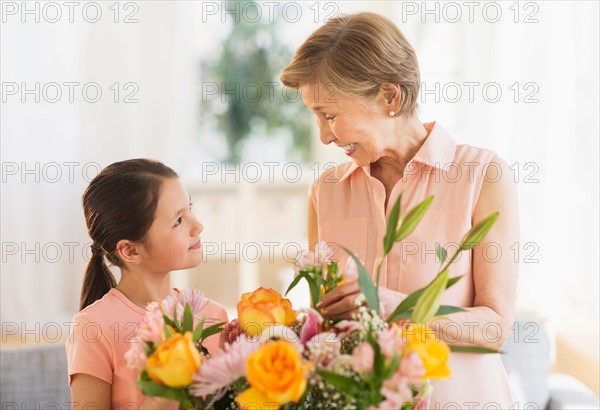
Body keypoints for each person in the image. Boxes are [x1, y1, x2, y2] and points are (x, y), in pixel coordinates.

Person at [280, 12, 519, 407]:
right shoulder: (325, 191)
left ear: (390, 97)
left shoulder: (482, 176)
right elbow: (326, 323)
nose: (323, 135)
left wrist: (395, 308)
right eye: (315, 116)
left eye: (330, 115)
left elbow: (495, 328)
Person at [66, 159, 229, 410]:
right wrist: (166, 396)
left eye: (190, 209)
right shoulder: (93, 328)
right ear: (130, 250)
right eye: (178, 221)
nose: (198, 226)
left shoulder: (214, 315)